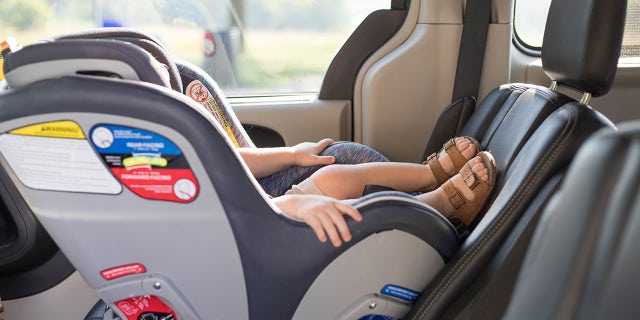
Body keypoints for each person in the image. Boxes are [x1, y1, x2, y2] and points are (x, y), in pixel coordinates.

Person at [256, 137, 497, 247]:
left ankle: (429, 177)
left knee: (334, 178)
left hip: (266, 202)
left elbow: (229, 158)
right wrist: (293, 206)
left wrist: (292, 154)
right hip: (260, 230)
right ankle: (442, 203)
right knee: (340, 220)